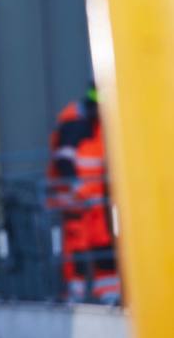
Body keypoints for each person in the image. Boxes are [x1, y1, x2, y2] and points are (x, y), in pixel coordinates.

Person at [48, 82, 120, 304]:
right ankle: (75, 297)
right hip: (76, 203)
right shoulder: (75, 125)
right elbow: (63, 162)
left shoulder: (96, 124)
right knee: (77, 252)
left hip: (96, 204)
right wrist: (77, 187)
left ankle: (109, 296)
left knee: (103, 247)